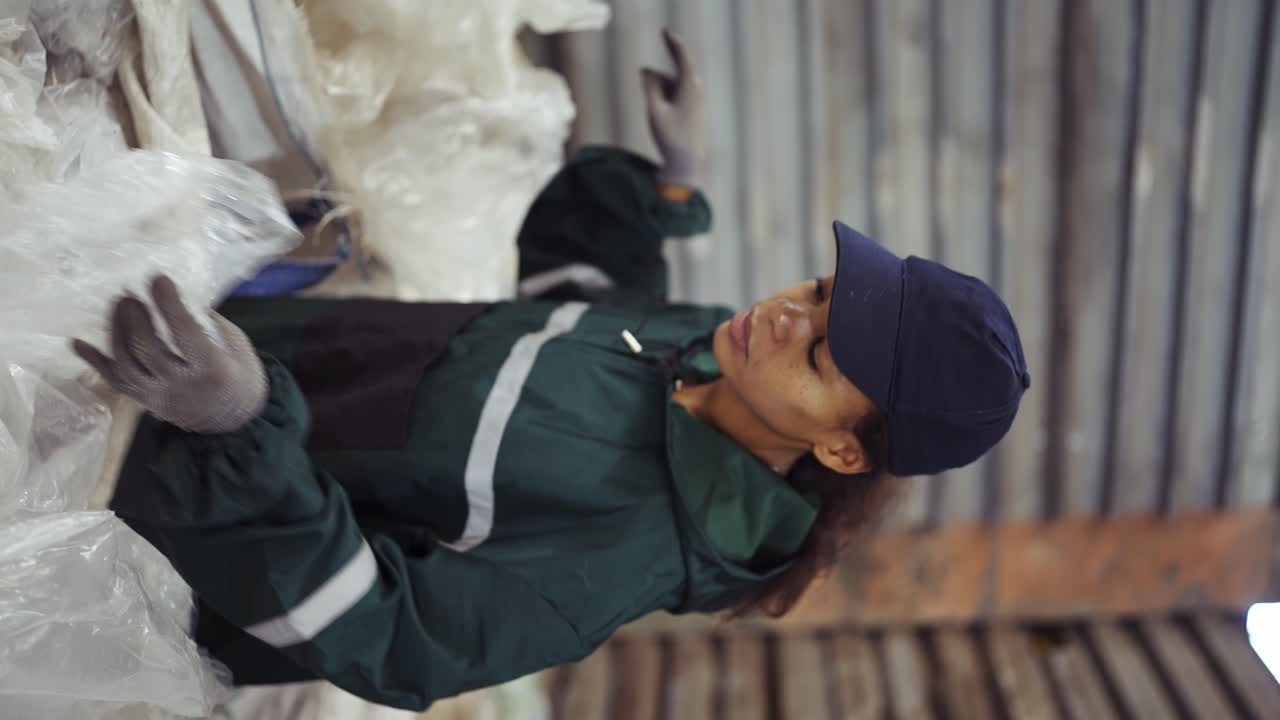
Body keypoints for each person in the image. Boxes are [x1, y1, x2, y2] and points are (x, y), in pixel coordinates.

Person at [76, 30, 1030, 712]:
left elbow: (392, 638)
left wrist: (239, 430)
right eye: (822, 289)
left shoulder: (620, 554)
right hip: (184, 360)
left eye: (820, 353)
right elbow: (574, 290)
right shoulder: (702, 351)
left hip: (138, 517)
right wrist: (668, 186)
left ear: (841, 448)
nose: (788, 315)